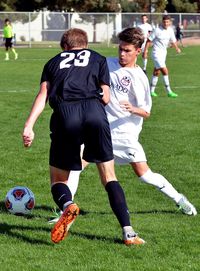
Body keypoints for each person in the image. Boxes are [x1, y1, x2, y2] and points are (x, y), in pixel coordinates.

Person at [53, 27, 196, 220]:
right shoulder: (106, 63)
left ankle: (180, 199)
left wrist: (132, 108)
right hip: (99, 129)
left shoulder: (140, 79)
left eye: (127, 50)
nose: (122, 53)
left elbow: (146, 112)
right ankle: (65, 212)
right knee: (77, 165)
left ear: (138, 50)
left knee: (144, 174)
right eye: (120, 49)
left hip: (124, 134)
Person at [22, 28, 145, 246]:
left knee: (59, 180)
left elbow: (43, 95)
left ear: (64, 47)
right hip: (95, 114)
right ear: (85, 45)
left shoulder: (52, 62)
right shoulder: (97, 58)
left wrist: (29, 126)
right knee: (109, 177)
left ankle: (68, 204)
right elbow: (106, 98)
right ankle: (129, 233)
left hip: (65, 115)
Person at [143, 15, 181, 98]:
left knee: (157, 71)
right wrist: (145, 51)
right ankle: (169, 91)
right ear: (162, 22)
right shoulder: (157, 30)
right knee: (164, 70)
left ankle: (151, 91)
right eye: (164, 22)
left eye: (167, 22)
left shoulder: (170, 31)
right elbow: (148, 41)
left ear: (170, 22)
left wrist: (177, 48)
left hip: (164, 53)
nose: (166, 23)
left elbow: (173, 41)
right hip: (156, 53)